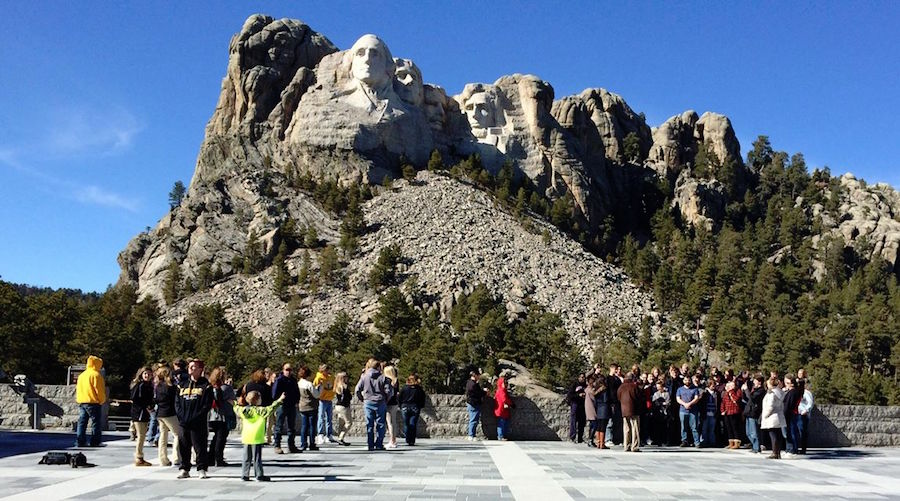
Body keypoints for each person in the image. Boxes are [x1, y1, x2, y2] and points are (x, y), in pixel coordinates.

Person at [175, 359, 214, 479]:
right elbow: (177, 403)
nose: (191, 369)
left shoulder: (206, 386)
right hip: (183, 422)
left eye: (194, 367)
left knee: (200, 446)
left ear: (200, 369)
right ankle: (184, 468)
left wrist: (195, 417)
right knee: (183, 446)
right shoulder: (181, 385)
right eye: (190, 366)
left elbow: (206, 405)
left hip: (198, 422)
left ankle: (201, 468)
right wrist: (182, 416)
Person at [235, 390, 285, 482]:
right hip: (257, 437)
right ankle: (259, 475)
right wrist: (280, 400)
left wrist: (233, 402)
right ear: (257, 400)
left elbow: (236, 408)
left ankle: (244, 475)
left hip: (246, 437)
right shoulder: (260, 411)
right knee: (257, 458)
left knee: (246, 457)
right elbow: (271, 408)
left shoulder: (244, 410)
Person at [355, 358, 393, 451]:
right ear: (379, 367)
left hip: (368, 401)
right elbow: (389, 391)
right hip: (380, 402)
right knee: (381, 424)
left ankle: (370, 444)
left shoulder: (364, 377)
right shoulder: (384, 378)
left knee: (369, 424)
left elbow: (357, 390)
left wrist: (362, 399)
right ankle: (379, 444)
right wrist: (386, 399)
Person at [75, 355, 107, 447]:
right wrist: (101, 400)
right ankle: (95, 441)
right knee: (96, 423)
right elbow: (99, 390)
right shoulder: (96, 375)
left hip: (82, 402)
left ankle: (80, 441)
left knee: (82, 423)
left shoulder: (82, 375)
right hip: (93, 402)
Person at [207, 367, 235, 466]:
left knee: (216, 438)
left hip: (212, 415)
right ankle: (218, 458)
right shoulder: (226, 388)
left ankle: (210, 457)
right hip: (223, 415)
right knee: (221, 438)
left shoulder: (210, 387)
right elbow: (232, 400)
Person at [154, 366, 181, 466]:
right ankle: (176, 457)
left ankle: (163, 459)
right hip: (169, 413)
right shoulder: (171, 387)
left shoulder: (158, 386)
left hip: (160, 413)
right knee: (177, 434)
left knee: (163, 436)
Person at [271, 362, 300, 454]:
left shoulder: (293, 380)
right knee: (279, 426)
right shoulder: (279, 380)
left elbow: (297, 392)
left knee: (292, 427)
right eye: (287, 370)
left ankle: (291, 445)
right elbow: (274, 394)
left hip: (292, 405)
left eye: (290, 370)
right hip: (282, 406)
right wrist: (279, 399)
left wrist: (297, 401)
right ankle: (277, 445)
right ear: (283, 370)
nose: (288, 371)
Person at [130, 366, 154, 466]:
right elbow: (135, 398)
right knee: (141, 436)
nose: (147, 376)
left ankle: (140, 456)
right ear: (141, 374)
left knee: (143, 435)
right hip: (139, 412)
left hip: (144, 413)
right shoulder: (140, 385)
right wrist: (146, 406)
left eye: (149, 374)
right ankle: (138, 457)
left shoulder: (149, 385)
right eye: (145, 374)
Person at [297, 365, 322, 451]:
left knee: (304, 426)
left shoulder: (299, 383)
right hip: (311, 407)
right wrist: (319, 388)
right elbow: (316, 395)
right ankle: (312, 444)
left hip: (302, 406)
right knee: (312, 426)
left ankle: (303, 443)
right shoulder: (309, 384)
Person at [617, 373, 643, 452]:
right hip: (634, 410)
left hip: (624, 410)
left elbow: (618, 397)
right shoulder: (634, 386)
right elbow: (639, 397)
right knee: (635, 428)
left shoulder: (621, 387)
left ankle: (626, 445)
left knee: (626, 428)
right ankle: (634, 446)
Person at [761, 377, 786, 459]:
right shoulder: (780, 392)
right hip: (779, 415)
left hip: (772, 416)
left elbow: (770, 406)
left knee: (773, 435)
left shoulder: (771, 393)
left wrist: (765, 415)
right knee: (778, 435)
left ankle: (774, 452)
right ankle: (778, 452)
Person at [399, 374, 427, 445]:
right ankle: (412, 440)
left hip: (405, 406)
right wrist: (420, 406)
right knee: (413, 424)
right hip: (415, 407)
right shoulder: (419, 389)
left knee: (406, 424)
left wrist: (400, 405)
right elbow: (422, 398)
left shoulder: (404, 388)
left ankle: (407, 438)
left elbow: (400, 397)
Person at [313, 364, 337, 445]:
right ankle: (320, 434)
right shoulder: (319, 378)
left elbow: (334, 385)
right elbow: (314, 387)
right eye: (325, 370)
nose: (327, 372)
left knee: (329, 418)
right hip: (322, 400)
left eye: (327, 370)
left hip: (329, 399)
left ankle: (329, 434)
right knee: (321, 417)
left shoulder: (331, 377)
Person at [676, 376, 701, 447]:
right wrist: (684, 404)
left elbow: (696, 398)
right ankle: (684, 441)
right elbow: (678, 399)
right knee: (683, 427)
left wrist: (689, 404)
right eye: (686, 380)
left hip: (693, 411)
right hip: (683, 410)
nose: (687, 381)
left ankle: (697, 442)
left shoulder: (695, 389)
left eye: (689, 380)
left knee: (694, 427)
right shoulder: (680, 389)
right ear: (683, 381)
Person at [744, 375, 765, 453]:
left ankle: (756, 447)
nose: (753, 382)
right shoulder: (754, 390)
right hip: (749, 412)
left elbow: (752, 398)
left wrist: (746, 390)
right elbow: (747, 398)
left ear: (759, 382)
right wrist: (744, 391)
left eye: (755, 380)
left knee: (754, 432)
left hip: (754, 413)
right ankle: (754, 445)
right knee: (748, 432)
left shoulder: (761, 391)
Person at [782, 374, 802, 457]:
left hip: (790, 414)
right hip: (791, 413)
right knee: (789, 432)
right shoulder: (794, 391)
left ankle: (792, 449)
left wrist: (784, 414)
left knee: (790, 432)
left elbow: (787, 405)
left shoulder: (792, 392)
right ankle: (789, 449)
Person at [720, 380, 743, 449]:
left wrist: (731, 392)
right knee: (728, 428)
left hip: (735, 412)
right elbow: (723, 402)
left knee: (735, 428)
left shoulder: (738, 391)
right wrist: (722, 410)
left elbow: (736, 400)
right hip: (727, 412)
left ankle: (737, 443)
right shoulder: (725, 393)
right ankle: (731, 442)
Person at [333, 372, 353, 446]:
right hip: (343, 406)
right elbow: (347, 397)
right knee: (349, 422)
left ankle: (340, 438)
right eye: (345, 377)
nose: (347, 378)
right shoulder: (343, 387)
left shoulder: (337, 386)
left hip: (338, 406)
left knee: (341, 423)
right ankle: (341, 437)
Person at [383, 365, 401, 448]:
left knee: (390, 423)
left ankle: (392, 441)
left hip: (389, 403)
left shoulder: (388, 381)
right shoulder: (396, 380)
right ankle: (393, 440)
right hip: (395, 403)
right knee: (393, 422)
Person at [465, 370, 486, 441]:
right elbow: (477, 393)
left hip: (472, 403)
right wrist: (484, 392)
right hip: (474, 404)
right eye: (478, 375)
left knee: (473, 419)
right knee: (473, 420)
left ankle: (472, 434)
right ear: (475, 375)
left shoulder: (469, 382)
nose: (479, 377)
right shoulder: (473, 384)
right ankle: (471, 435)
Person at [493, 375, 514, 441]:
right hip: (501, 410)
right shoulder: (501, 390)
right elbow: (504, 399)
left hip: (502, 410)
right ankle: (500, 436)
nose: (506, 384)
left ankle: (502, 435)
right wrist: (511, 404)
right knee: (501, 423)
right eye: (504, 383)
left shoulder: (501, 390)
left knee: (503, 423)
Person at [567, 373, 587, 443]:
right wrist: (578, 395)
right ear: (578, 378)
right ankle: (572, 437)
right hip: (575, 404)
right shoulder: (574, 385)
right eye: (581, 377)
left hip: (583, 406)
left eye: (584, 377)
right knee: (574, 421)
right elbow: (570, 395)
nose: (583, 379)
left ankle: (580, 438)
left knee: (582, 423)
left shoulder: (585, 386)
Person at [650, 380, 670, 446]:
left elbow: (668, 402)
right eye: (657, 387)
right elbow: (654, 403)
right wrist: (661, 403)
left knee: (664, 427)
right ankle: (657, 440)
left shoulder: (667, 394)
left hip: (664, 412)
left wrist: (663, 404)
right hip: (657, 413)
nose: (658, 388)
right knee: (657, 427)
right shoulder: (656, 394)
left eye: (659, 387)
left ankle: (664, 440)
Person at [798, 378, 814, 454]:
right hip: (796, 413)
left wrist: (805, 411)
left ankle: (803, 448)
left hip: (803, 415)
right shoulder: (797, 392)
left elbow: (810, 403)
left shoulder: (806, 393)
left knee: (802, 432)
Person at [700, 380, 719, 448]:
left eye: (714, 385)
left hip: (713, 413)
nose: (714, 387)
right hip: (706, 413)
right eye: (712, 385)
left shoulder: (716, 393)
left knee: (712, 429)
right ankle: (704, 441)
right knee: (704, 429)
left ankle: (712, 442)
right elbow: (701, 402)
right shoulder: (705, 392)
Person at [593, 378, 611, 449]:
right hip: (605, 409)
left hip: (598, 409)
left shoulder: (596, 391)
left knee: (599, 426)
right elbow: (606, 399)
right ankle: (602, 443)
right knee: (603, 427)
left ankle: (598, 442)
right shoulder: (605, 390)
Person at [584, 375, 599, 447]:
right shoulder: (590, 390)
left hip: (589, 408)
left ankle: (590, 439)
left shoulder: (587, 389)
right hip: (591, 408)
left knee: (592, 424)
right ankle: (590, 439)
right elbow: (594, 397)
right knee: (594, 424)